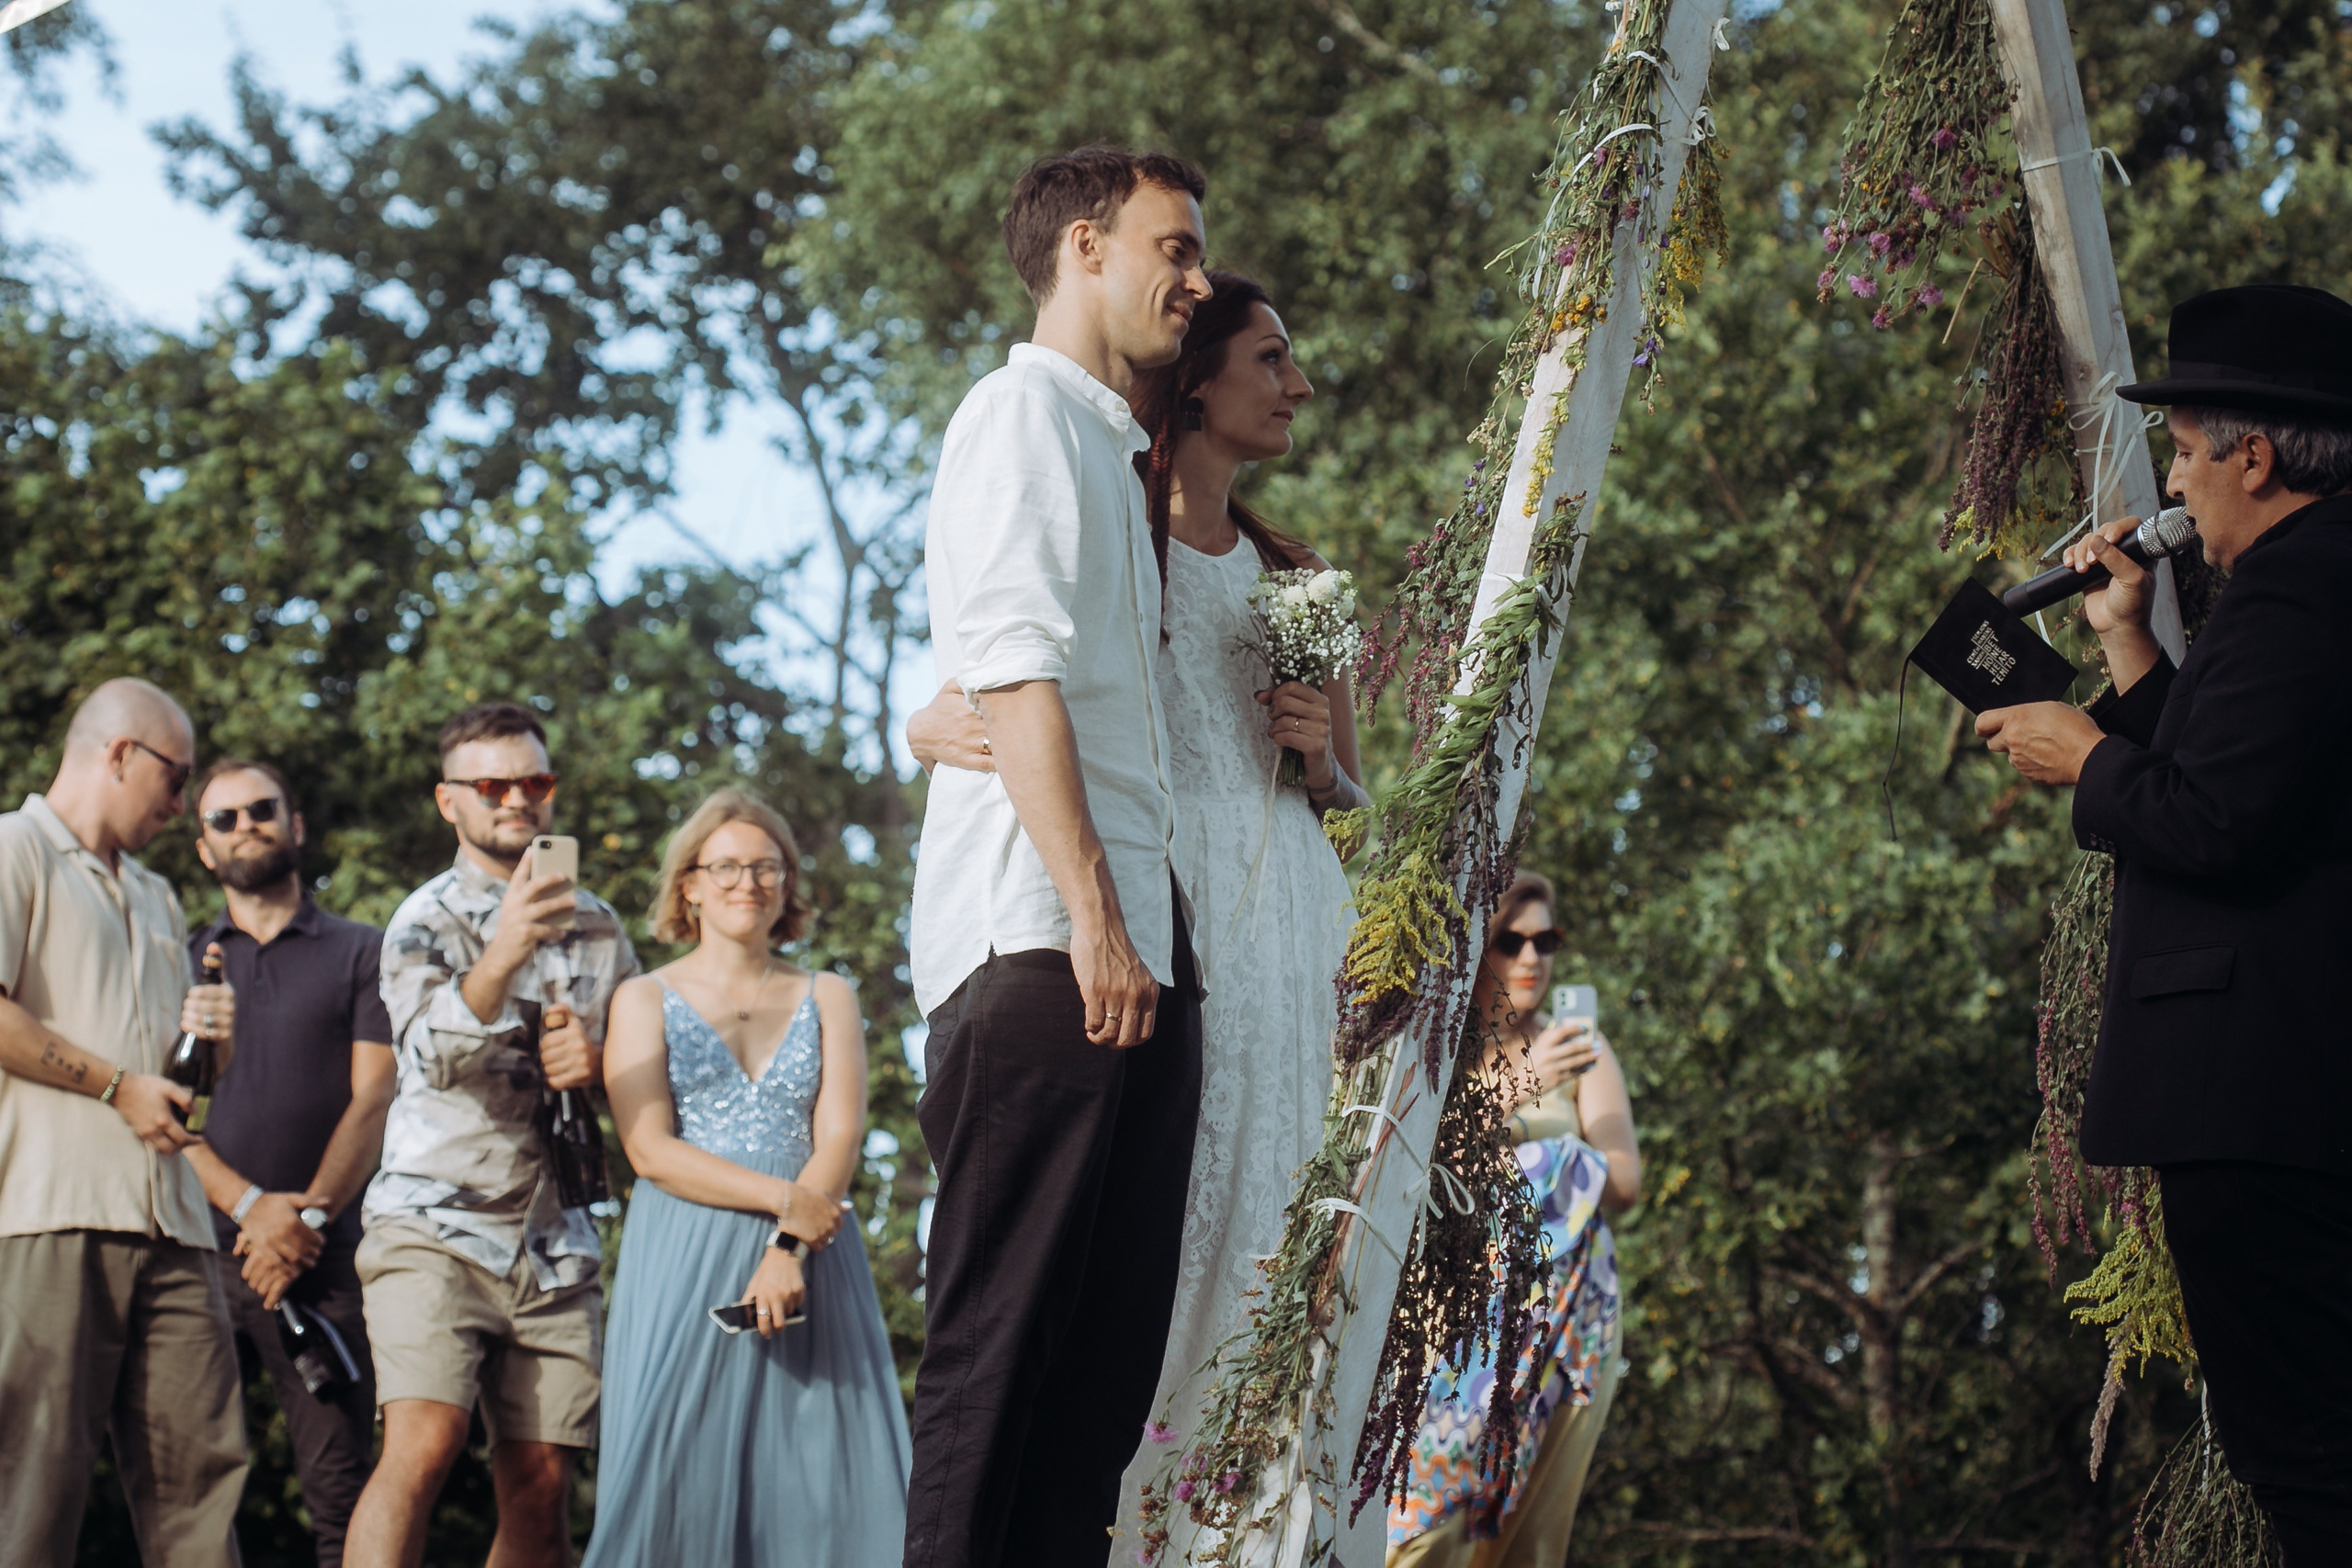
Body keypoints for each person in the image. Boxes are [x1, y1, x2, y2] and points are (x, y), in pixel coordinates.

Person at [912, 268, 1369, 1563]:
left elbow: (1351, 788)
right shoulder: (1111, 527)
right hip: (1156, 905)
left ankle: (1271, 1520)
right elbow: (987, 682)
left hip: (1286, 910)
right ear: (1202, 376)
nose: (1297, 385)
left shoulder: (1299, 569)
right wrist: (919, 722)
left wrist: (1323, 766)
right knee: (1153, 1234)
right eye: (1271, 358)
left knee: (1290, 1195)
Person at [1975, 283, 2352, 1559]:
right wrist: (2128, 644)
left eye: (2186, 447)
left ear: (2252, 455)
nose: (2175, 480)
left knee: (2305, 1451)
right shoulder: (2297, 589)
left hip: (2267, 1097)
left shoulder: (2306, 587)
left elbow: (2215, 827)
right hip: (2283, 1096)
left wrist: (2083, 754)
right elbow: (2239, 778)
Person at [900, 144, 1211, 1568]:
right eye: (1176, 247)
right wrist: (1092, 915)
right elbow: (1011, 674)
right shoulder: (1015, 415)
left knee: (1097, 1396)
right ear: (1087, 246)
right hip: (1042, 948)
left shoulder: (1109, 447)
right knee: (998, 1363)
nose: (1194, 281)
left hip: (1139, 945)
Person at [345, 701, 639, 1568]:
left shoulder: (601, 926)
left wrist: (598, 1059)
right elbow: (424, 1058)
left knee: (544, 1485)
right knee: (424, 1442)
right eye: (493, 784)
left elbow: (640, 1081)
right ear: (451, 802)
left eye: (534, 781)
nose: (517, 798)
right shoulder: (421, 920)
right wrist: (505, 948)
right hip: (432, 1225)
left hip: (556, 1237)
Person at [582, 787, 910, 1564]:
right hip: (683, 1249)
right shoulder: (640, 997)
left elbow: (839, 1134)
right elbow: (650, 1149)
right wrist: (784, 1199)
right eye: (725, 865)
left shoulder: (829, 993)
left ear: (788, 884)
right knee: (669, 1479)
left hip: (813, 1255)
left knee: (824, 1484)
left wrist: (789, 1243)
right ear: (688, 883)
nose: (748, 881)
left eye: (768, 866)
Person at [0, 678, 247, 1566]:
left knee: (205, 1486)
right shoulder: (12, 849)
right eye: (175, 778)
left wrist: (204, 1049)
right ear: (117, 754)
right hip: (50, 1213)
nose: (183, 805)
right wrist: (115, 1086)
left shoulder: (158, 896)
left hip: (175, 1226)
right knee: (31, 1490)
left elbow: (163, 1082)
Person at [1386, 872, 1641, 1568]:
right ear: (1476, 947)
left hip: (1568, 1312)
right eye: (1511, 940)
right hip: (1457, 1309)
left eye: (1546, 940)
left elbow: (1625, 1180)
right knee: (1427, 1510)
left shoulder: (1577, 1048)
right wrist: (1514, 1091)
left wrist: (1556, 1156)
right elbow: (1408, 1172)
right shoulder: (1438, 1049)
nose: (1532, 958)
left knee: (1530, 1528)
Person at [178, 758, 396, 1568]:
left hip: (323, 1255)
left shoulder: (361, 951)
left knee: (342, 1496)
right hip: (194, 1255)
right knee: (185, 1492)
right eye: (222, 819)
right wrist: (253, 1210)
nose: (245, 827)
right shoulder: (181, 956)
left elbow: (373, 1099)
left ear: (295, 823)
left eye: (261, 809)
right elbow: (162, 1116)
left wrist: (301, 1219)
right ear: (203, 848)